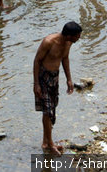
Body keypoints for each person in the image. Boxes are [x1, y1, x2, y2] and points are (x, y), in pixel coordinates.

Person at [33, 22, 82, 155]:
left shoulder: (68, 43)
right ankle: (50, 144)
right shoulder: (49, 42)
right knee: (47, 111)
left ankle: (45, 142)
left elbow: (65, 58)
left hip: (55, 77)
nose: (79, 38)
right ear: (69, 35)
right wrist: (36, 84)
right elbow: (37, 61)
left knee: (51, 109)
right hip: (43, 77)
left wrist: (69, 79)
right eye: (77, 36)